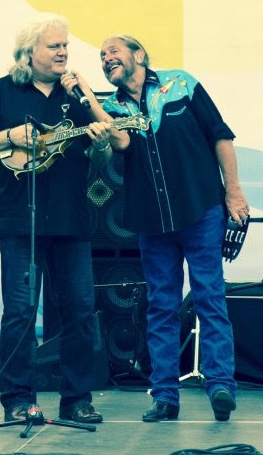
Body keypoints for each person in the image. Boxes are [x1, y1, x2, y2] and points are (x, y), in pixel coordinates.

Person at [69, 35, 249, 422]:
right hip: (152, 223)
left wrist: (233, 193)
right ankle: (165, 396)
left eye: (113, 51)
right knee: (161, 307)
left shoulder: (181, 83)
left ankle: (220, 386)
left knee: (210, 300)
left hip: (201, 210)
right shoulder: (113, 107)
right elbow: (119, 141)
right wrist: (86, 93)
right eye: (102, 56)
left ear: (139, 55)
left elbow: (221, 136)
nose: (106, 58)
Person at [0, 13, 115, 424]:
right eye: (54, 46)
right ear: (30, 52)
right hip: (17, 221)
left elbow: (103, 153)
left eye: (66, 45)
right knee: (20, 312)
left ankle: (77, 399)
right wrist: (9, 136)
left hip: (71, 220)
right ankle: (17, 399)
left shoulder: (76, 99)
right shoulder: (1, 92)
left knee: (81, 310)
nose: (64, 51)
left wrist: (101, 146)